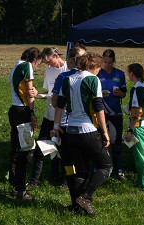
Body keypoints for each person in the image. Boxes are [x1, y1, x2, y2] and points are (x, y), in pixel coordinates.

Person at [54, 52, 112, 215]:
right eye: (99, 68)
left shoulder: (67, 79)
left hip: (70, 130)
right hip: (88, 129)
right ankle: (86, 198)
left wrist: (56, 126)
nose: (99, 72)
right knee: (106, 166)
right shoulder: (93, 79)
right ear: (94, 65)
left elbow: (59, 105)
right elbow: (99, 107)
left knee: (80, 170)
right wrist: (105, 132)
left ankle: (77, 206)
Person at [51, 44, 87, 207]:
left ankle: (72, 188)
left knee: (67, 160)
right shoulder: (89, 76)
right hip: (85, 126)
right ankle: (83, 193)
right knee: (81, 161)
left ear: (70, 59)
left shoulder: (64, 77)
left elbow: (55, 102)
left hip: (65, 124)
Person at [27, 46, 68, 187]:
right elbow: (49, 92)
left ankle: (64, 180)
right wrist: (37, 94)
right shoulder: (49, 70)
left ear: (56, 56)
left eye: (50, 62)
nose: (48, 65)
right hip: (49, 115)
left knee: (63, 150)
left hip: (64, 117)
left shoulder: (68, 69)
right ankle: (34, 181)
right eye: (46, 63)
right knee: (41, 147)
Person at [8, 47, 42, 199]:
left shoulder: (16, 65)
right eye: (38, 63)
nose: (36, 67)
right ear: (34, 60)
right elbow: (29, 92)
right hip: (23, 111)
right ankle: (21, 190)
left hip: (14, 110)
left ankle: (15, 184)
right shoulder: (27, 66)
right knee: (26, 150)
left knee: (16, 149)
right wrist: (33, 112)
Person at [98, 49, 127, 180]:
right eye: (105, 62)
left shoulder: (120, 74)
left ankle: (119, 170)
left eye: (110, 62)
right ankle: (101, 168)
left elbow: (124, 91)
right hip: (101, 113)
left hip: (116, 113)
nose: (107, 65)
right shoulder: (98, 73)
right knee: (101, 141)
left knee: (116, 143)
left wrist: (121, 94)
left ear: (114, 61)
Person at [125, 63, 144, 193]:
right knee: (143, 156)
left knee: (141, 158)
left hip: (139, 127)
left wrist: (130, 129)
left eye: (128, 73)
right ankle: (143, 183)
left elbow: (136, 112)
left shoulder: (137, 89)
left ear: (132, 74)